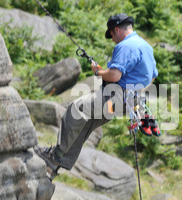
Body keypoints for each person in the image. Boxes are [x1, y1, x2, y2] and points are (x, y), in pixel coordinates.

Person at [35, 13, 160, 179]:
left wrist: (98, 72)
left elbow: (114, 76)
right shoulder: (146, 47)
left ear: (116, 30)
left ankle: (55, 155)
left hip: (114, 98)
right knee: (87, 121)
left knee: (76, 109)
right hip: (126, 103)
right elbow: (152, 76)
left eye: (112, 35)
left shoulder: (125, 46)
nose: (113, 40)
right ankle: (55, 164)